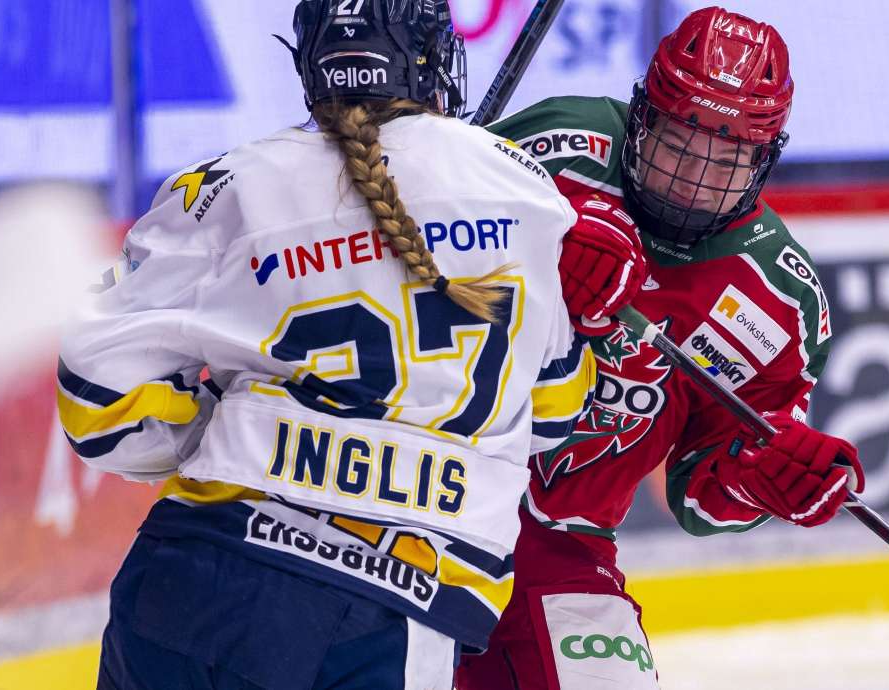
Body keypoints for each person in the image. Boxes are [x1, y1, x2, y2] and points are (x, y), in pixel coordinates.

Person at [56, 1, 645, 688]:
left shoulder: (227, 185)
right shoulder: (527, 194)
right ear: (430, 57)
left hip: (196, 577)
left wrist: (227, 429)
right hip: (393, 612)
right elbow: (552, 413)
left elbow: (97, 402)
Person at [456, 7, 864, 689]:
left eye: (728, 160)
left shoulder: (778, 300)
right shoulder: (558, 146)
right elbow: (403, 246)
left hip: (557, 545)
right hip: (416, 488)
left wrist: (757, 479)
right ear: (640, 116)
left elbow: (700, 500)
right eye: (679, 145)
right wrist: (530, 248)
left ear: (767, 158)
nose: (694, 181)